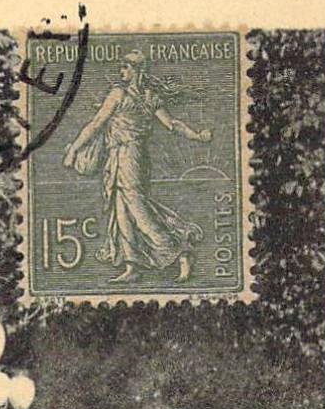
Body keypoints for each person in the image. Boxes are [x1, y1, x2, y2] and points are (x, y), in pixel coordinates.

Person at [62, 50, 213, 284]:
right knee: (122, 209)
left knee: (137, 209)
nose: (122, 72)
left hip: (128, 156)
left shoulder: (119, 94)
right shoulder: (148, 96)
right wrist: (197, 136)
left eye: (125, 68)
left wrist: (74, 149)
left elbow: (96, 124)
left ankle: (180, 253)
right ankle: (132, 266)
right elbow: (172, 124)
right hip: (125, 156)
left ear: (136, 70)